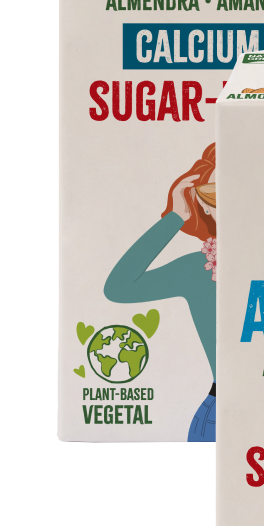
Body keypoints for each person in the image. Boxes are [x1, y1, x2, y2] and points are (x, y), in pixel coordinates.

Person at [104, 144, 217, 440]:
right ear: (204, 205)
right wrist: (176, 217)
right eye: (217, 193)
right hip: (221, 415)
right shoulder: (200, 269)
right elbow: (119, 287)